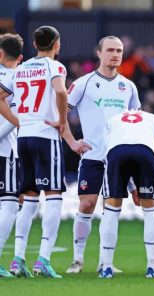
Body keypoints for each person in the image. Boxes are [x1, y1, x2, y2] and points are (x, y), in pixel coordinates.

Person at [0, 26, 88, 278]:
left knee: (27, 198)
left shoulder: (22, 68)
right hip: (46, 137)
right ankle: (43, 260)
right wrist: (62, 120)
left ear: (35, 45)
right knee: (53, 196)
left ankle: (17, 259)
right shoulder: (55, 67)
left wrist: (18, 121)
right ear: (56, 45)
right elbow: (61, 91)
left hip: (23, 139)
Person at [66, 36, 141, 274]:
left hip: (119, 159)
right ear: (99, 53)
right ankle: (77, 259)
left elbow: (136, 122)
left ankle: (105, 262)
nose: (115, 54)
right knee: (87, 204)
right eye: (110, 50)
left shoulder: (128, 86)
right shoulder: (83, 83)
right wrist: (72, 141)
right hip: (92, 157)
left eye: (119, 50)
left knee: (112, 210)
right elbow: (61, 112)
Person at [99, 110, 154, 278]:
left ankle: (106, 268)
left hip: (116, 152)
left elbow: (106, 149)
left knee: (111, 210)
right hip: (146, 152)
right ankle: (152, 268)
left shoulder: (114, 119)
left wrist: (130, 186)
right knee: (151, 211)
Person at [0, 33, 23, 278]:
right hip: (4, 149)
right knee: (8, 203)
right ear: (21, 57)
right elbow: (15, 117)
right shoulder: (17, 78)